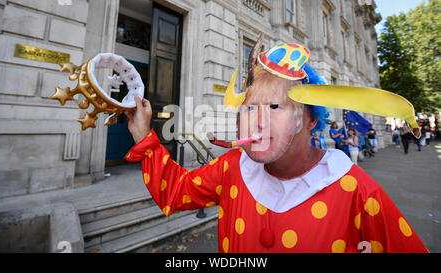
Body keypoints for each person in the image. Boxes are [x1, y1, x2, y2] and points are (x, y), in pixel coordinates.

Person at [123, 41, 427, 252]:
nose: (256, 121)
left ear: (308, 119)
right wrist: (143, 135)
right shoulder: (232, 168)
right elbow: (174, 192)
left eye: (274, 106)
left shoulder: (355, 190)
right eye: (249, 107)